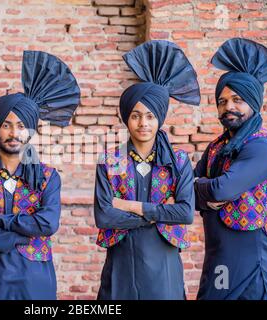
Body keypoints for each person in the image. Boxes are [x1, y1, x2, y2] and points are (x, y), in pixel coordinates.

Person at [0, 50, 80, 299]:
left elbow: (48, 224)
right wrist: (24, 234)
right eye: (6, 125)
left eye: (21, 125)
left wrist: (0, 220)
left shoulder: (48, 177)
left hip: (35, 278)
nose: (14, 133)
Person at [94, 40, 199, 299]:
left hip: (163, 260)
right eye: (136, 115)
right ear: (127, 119)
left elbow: (185, 213)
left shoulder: (178, 162)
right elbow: (104, 217)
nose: (143, 123)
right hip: (122, 259)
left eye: (150, 116)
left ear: (160, 119)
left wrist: (131, 206)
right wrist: (161, 212)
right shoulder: (110, 160)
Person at [194, 38, 267, 300]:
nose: (228, 107)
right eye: (222, 101)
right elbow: (185, 191)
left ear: (253, 103)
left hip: (250, 255)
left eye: (237, 99)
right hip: (219, 253)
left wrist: (203, 188)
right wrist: (203, 192)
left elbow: (224, 188)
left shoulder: (264, 147)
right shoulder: (216, 146)